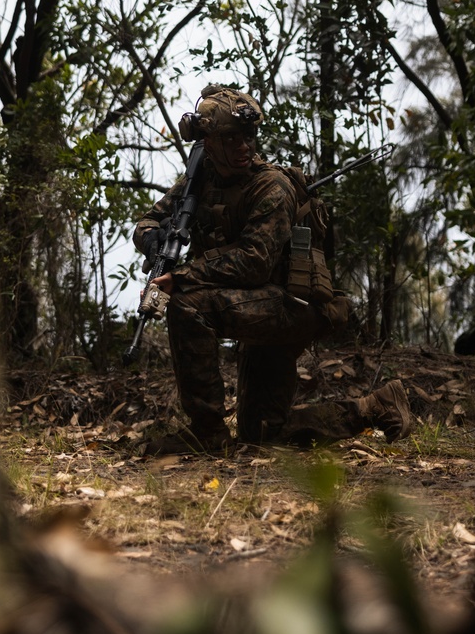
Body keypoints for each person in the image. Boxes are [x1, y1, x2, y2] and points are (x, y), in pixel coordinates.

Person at [132, 84, 412, 452]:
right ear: (209, 143)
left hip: (293, 306)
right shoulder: (198, 180)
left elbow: (254, 262)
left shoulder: (271, 186)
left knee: (185, 303)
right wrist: (154, 241)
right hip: (255, 304)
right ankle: (373, 408)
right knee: (263, 433)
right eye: (232, 138)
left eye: (249, 136)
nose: (244, 146)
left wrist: (179, 277)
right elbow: (148, 222)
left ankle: (207, 434)